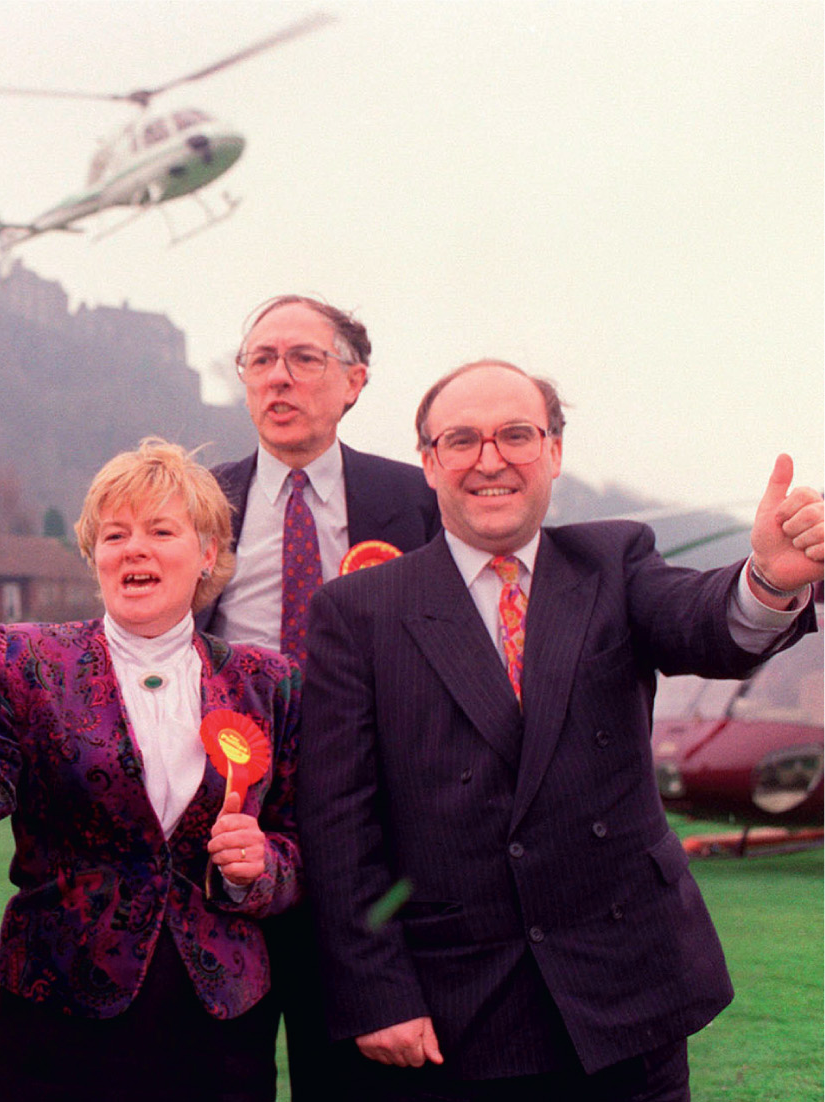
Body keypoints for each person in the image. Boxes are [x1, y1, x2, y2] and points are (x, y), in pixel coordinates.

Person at [297, 359, 822, 1101]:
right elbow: (338, 823)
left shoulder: (615, 560)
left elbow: (703, 622)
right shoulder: (359, 611)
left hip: (627, 998)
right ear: (428, 462)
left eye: (516, 434)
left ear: (554, 451)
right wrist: (378, 994)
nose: (491, 459)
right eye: (462, 440)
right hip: (458, 1012)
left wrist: (768, 581)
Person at [0, 439, 302, 1101]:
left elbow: (306, 848)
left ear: (209, 553)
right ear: (95, 556)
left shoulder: (269, 683)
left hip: (220, 1024)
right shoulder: (26, 662)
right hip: (59, 1019)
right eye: (114, 534)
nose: (134, 548)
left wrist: (262, 867)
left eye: (160, 530)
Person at [200, 293, 440, 1099]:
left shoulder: (419, 502)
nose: (280, 377)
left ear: (354, 381)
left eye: (305, 359)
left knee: (358, 1072)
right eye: (261, 360)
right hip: (227, 829)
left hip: (376, 830)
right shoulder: (196, 503)